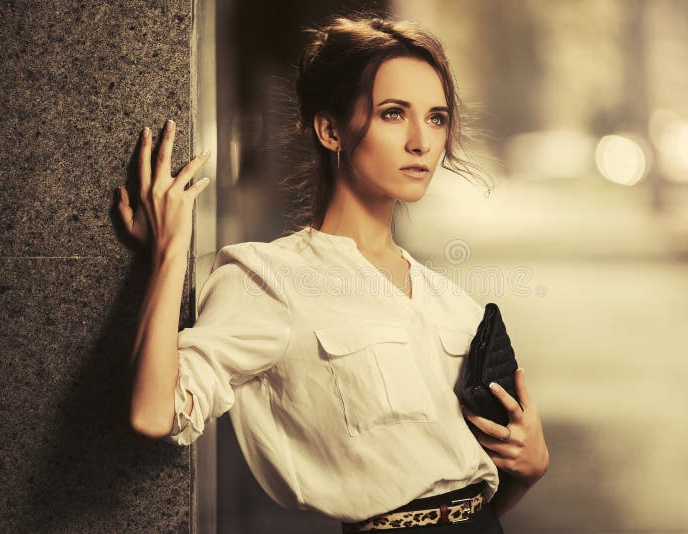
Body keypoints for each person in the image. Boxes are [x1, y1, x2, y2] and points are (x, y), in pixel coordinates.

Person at [118, 13, 548, 533]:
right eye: (394, 114)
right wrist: (168, 255)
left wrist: (528, 470)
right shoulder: (268, 279)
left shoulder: (451, 303)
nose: (422, 141)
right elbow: (152, 413)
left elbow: (476, 494)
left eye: (436, 117)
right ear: (330, 129)